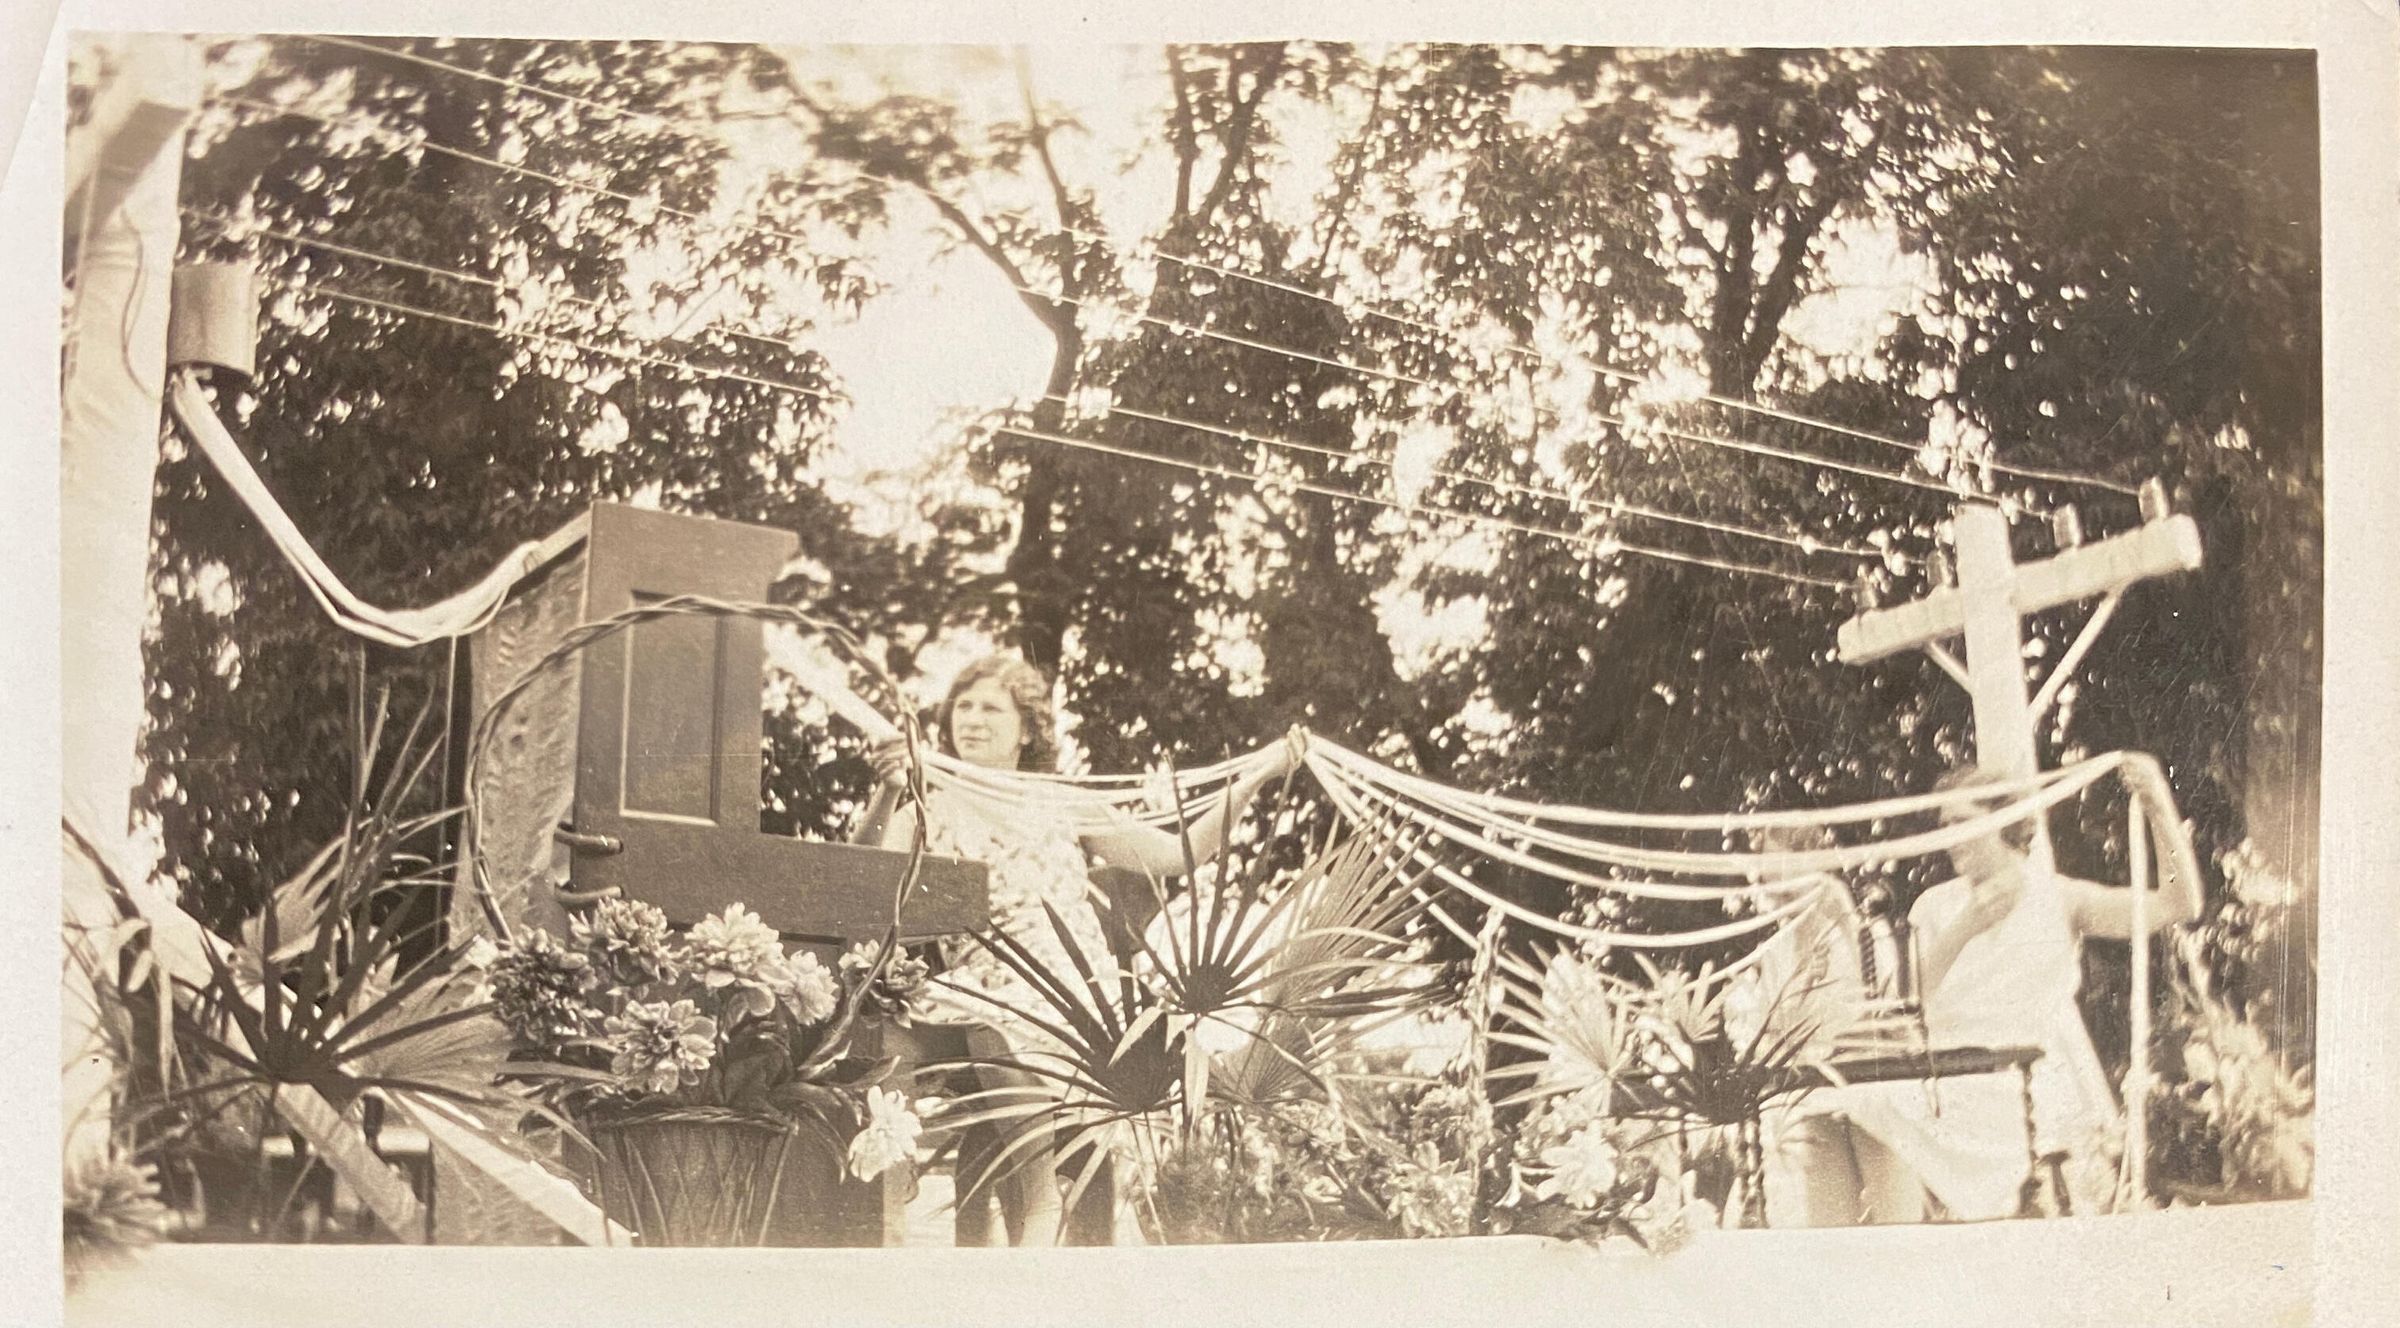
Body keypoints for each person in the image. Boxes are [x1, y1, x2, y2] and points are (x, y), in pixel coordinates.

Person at [852, 652, 1304, 1244]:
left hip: (1071, 992)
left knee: (998, 1024)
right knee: (892, 1031)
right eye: (963, 706)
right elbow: (860, 879)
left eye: (992, 709)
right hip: (979, 986)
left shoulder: (1062, 803)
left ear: (1028, 729)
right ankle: (887, 1218)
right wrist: (887, 792)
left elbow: (1176, 854)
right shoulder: (928, 806)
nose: (972, 720)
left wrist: (1257, 777)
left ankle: (1043, 1206)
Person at [1772, 760, 2203, 1226]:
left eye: (1962, 822)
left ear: (2001, 820)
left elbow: (2178, 903)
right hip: (1938, 1075)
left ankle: (1897, 1241)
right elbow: (1902, 1006)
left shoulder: (2060, 898)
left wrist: (2156, 803)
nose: (1950, 838)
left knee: (1867, 1106)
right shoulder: (1935, 905)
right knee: (1825, 1107)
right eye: (1944, 826)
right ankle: (1855, 1247)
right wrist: (1964, 928)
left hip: (2014, 1082)